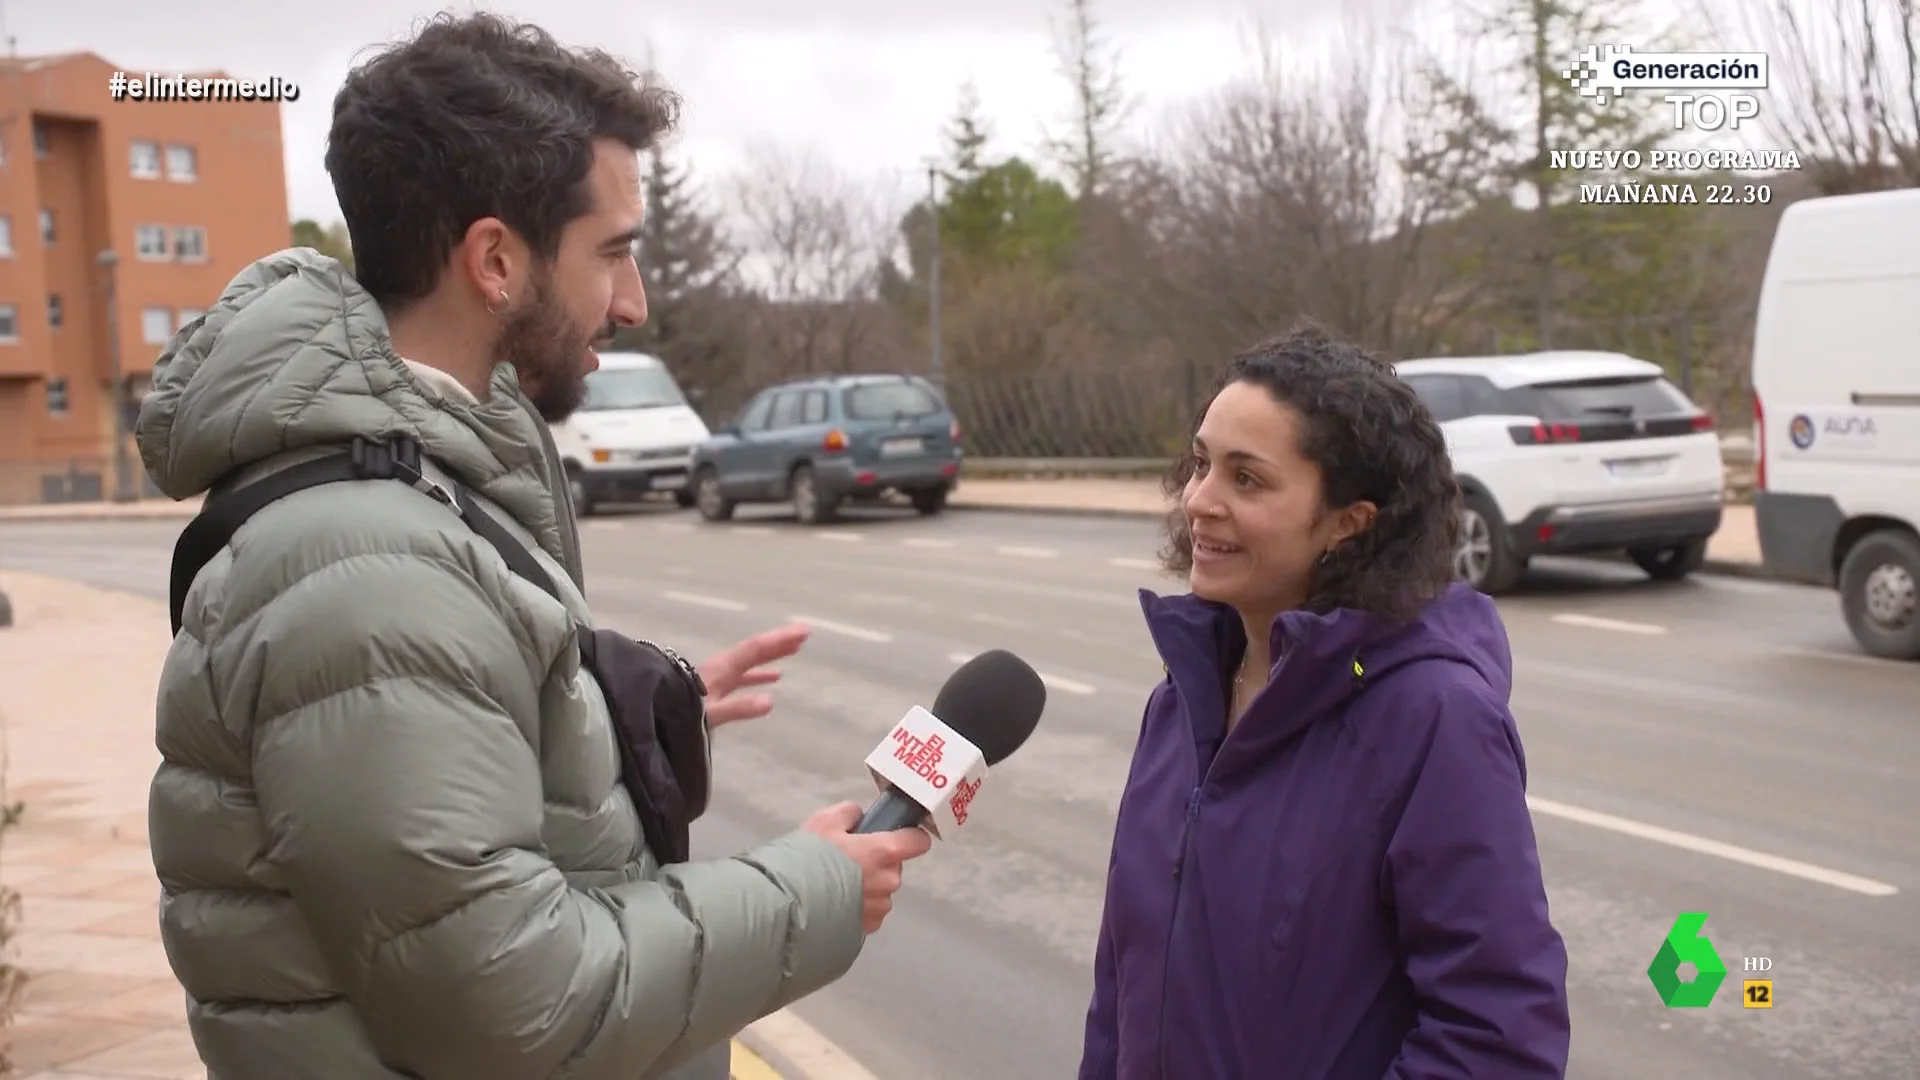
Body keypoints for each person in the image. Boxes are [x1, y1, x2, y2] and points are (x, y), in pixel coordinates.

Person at [136, 13, 929, 1079]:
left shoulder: (406, 490)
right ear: (497, 261)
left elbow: (448, 792)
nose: (634, 303)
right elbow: (514, 1005)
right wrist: (813, 889)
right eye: (613, 254)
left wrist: (626, 710)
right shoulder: (371, 570)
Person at [1076, 324, 1571, 1078]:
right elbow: (1123, 984)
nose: (1199, 501)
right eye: (1202, 464)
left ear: (1350, 524)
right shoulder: (1183, 696)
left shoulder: (1434, 718)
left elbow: (1498, 1037)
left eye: (1248, 479)